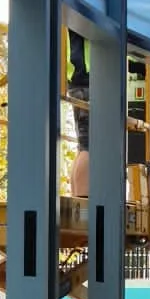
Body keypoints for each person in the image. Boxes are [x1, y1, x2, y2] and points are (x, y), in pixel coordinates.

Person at [67, 31, 91, 198]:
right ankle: (83, 205)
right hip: (88, 77)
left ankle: (79, 202)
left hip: (79, 78)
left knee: (84, 146)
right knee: (91, 147)